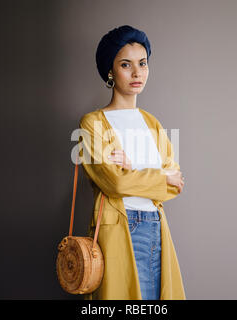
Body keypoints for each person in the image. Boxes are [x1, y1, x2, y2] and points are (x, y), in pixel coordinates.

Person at [78, 25, 186, 300]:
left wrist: (133, 169)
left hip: (155, 226)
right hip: (121, 227)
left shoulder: (153, 124)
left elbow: (175, 185)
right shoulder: (93, 124)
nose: (137, 73)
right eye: (126, 64)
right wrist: (155, 177)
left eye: (143, 63)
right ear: (111, 71)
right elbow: (114, 182)